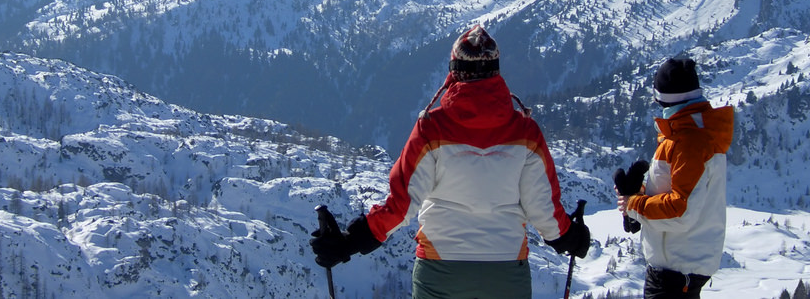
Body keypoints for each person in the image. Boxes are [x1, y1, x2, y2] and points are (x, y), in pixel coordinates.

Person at [310, 24, 590, 299]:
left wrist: (350, 241)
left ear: (454, 71)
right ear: (497, 71)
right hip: (506, 271)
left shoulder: (432, 129)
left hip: (440, 270)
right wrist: (570, 237)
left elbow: (401, 206)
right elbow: (544, 212)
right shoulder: (527, 133)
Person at [616, 57, 734, 299]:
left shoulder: (690, 140)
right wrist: (639, 195)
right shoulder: (685, 133)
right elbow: (678, 191)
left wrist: (635, 205)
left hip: (676, 272)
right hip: (677, 268)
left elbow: (680, 209)